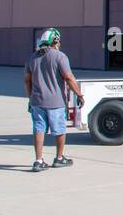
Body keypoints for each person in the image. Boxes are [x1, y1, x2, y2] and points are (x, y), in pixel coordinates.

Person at [24, 28, 83, 172]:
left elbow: (27, 81)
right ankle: (59, 158)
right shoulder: (60, 56)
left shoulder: (32, 58)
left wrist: (30, 98)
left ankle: (38, 161)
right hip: (56, 102)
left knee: (39, 129)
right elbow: (68, 77)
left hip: (37, 101)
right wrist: (79, 94)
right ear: (55, 41)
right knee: (59, 130)